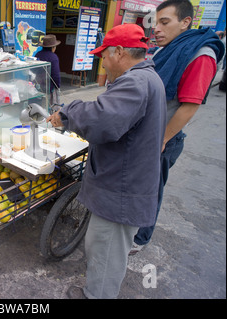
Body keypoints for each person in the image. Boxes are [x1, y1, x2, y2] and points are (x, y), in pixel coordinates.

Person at [47, 23, 167, 299]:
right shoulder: (146, 77)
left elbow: (102, 119)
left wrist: (67, 112)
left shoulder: (136, 83)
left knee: (106, 252)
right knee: (106, 249)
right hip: (128, 180)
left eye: (104, 55)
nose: (102, 62)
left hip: (122, 189)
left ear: (120, 52)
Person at [131, 0, 225, 254]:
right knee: (139, 186)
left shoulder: (200, 54)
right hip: (147, 132)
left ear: (185, 22)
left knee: (151, 189)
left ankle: (141, 238)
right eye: (156, 22)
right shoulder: (169, 48)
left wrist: (162, 139)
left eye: (164, 22)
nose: (157, 29)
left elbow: (190, 105)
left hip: (162, 137)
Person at [34, 34, 62, 106]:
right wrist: (58, 85)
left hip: (37, 84)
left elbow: (34, 70)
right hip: (49, 86)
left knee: (38, 105)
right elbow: (55, 75)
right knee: (48, 106)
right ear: (53, 47)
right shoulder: (53, 57)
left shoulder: (38, 54)